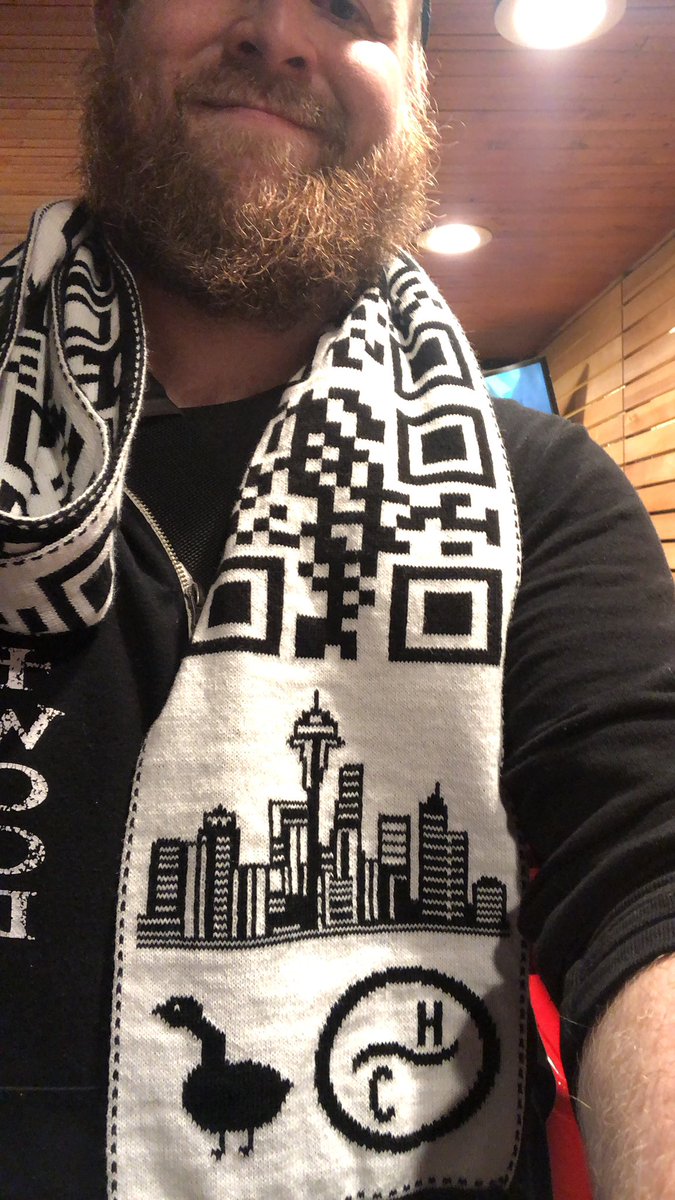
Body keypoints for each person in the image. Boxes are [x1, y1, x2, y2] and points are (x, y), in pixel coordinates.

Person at [0, 1, 673, 1197]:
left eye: (353, 4)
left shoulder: (542, 497)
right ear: (114, 20)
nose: (279, 30)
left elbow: (648, 869)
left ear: (414, 81)